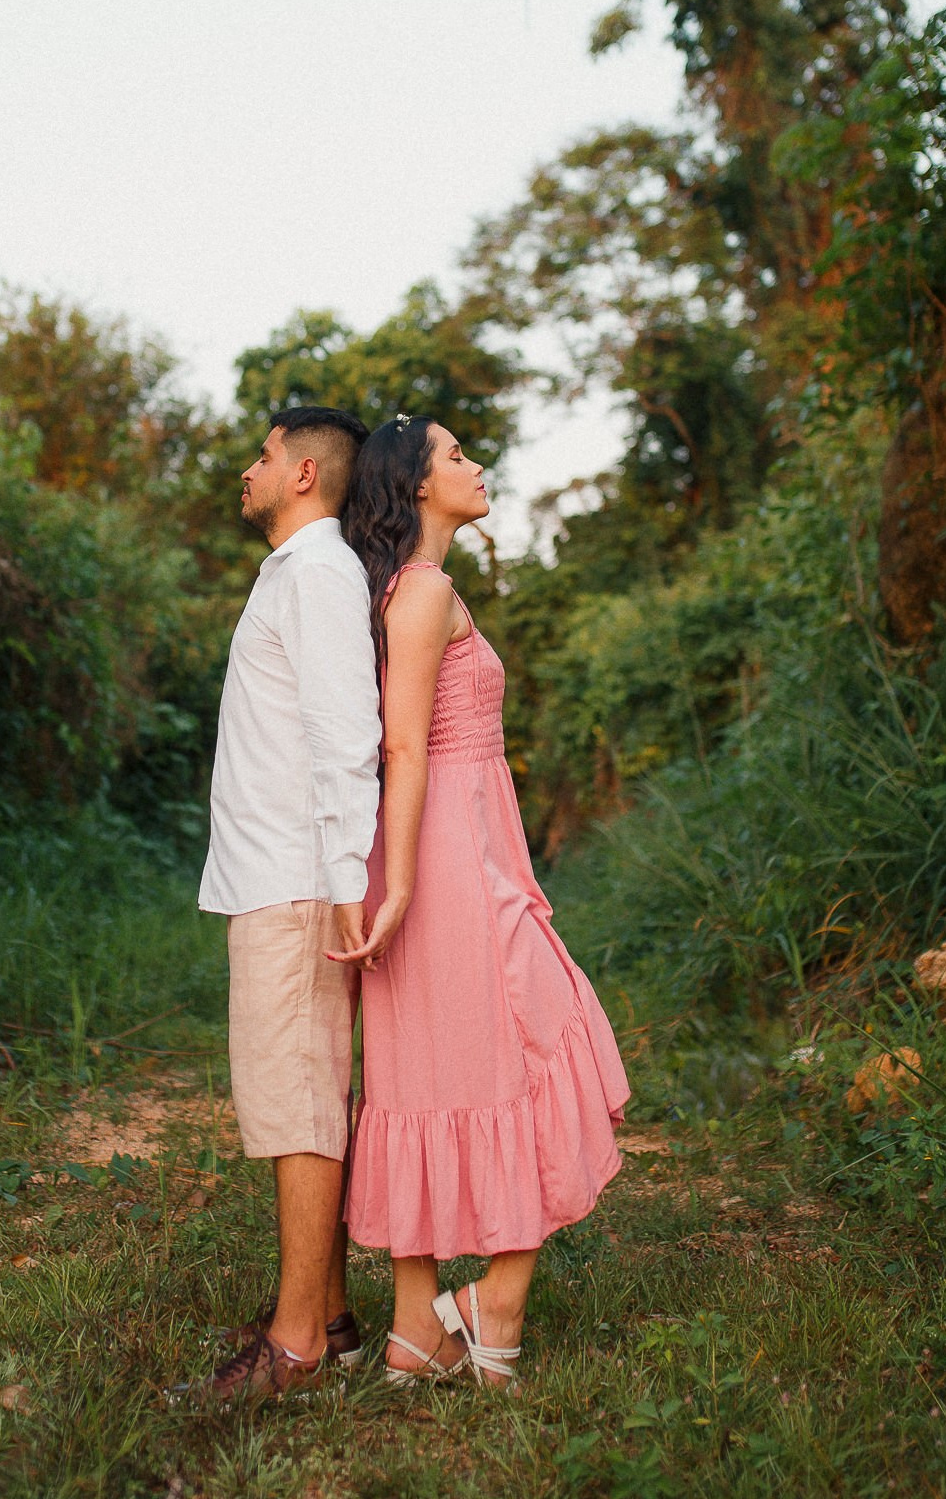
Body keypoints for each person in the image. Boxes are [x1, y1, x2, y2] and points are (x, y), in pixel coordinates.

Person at [334, 413, 630, 1390]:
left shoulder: (413, 590)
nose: (475, 465)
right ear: (417, 485)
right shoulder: (423, 593)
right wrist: (406, 885)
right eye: (455, 455)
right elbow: (405, 748)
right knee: (543, 1038)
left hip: (456, 847)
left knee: (433, 1073)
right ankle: (487, 1303)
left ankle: (419, 1333)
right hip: (445, 860)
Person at [191, 406, 380, 1400]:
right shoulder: (295, 572)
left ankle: (298, 1341)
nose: (248, 466)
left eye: (263, 454)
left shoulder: (317, 572)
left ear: (304, 473)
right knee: (298, 1093)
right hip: (279, 873)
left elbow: (346, 733)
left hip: (300, 880)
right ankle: (331, 1312)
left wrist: (347, 878)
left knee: (297, 1100)